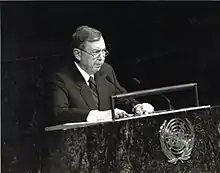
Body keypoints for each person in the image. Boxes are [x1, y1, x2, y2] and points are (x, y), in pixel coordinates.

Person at [44, 25, 154, 126]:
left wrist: (136, 107)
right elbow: (59, 113)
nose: (101, 57)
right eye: (96, 52)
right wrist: (100, 116)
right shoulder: (60, 79)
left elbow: (122, 97)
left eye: (103, 51)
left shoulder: (105, 70)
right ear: (78, 54)